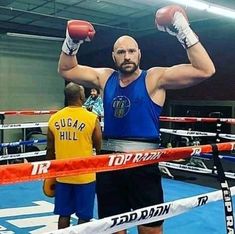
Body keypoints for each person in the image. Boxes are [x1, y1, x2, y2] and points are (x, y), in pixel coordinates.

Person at [58, 5, 215, 234]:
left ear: (139, 53)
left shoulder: (154, 78)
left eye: (131, 51)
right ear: (114, 56)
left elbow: (205, 70)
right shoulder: (105, 77)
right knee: (113, 228)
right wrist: (71, 42)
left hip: (143, 166)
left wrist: (182, 28)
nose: (127, 56)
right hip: (109, 166)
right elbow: (66, 70)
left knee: (150, 229)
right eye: (121, 52)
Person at [46, 82, 102, 229]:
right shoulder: (91, 118)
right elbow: (99, 147)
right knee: (84, 216)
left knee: (63, 214)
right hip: (85, 176)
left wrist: (48, 175)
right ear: (82, 96)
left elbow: (50, 151)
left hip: (62, 174)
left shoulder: (54, 119)